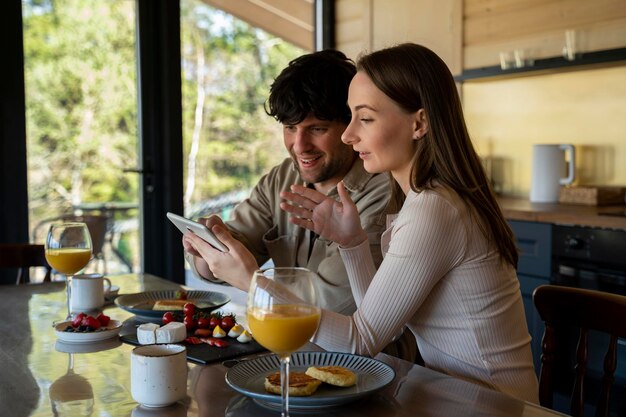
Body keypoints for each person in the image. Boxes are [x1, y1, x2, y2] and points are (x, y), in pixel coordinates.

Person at [277, 43, 539, 403]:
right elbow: (384, 326)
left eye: (364, 118)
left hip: (491, 408)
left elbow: (360, 342)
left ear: (419, 123)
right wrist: (352, 243)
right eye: (351, 116)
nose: (348, 135)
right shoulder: (425, 199)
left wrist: (261, 295)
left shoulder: (435, 210)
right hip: (454, 399)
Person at [182, 49, 391, 316]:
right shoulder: (283, 178)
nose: (300, 146)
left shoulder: (382, 193)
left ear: (350, 127)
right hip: (286, 343)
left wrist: (251, 280)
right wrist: (206, 251)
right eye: (290, 128)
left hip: (361, 355)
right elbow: (234, 247)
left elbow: (334, 304)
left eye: (317, 129)